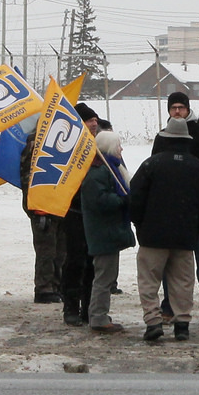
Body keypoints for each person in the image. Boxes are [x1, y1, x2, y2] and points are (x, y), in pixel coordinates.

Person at [129, 115, 199, 342]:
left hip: (152, 235)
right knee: (183, 281)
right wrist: (196, 228)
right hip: (185, 236)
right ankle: (182, 324)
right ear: (188, 140)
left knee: (149, 280)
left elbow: (135, 199)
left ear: (165, 138)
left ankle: (153, 322)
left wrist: (141, 224)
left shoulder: (151, 165)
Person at [163, 88, 199, 324]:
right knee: (171, 262)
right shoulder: (163, 135)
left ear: (188, 110)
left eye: (181, 107)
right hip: (172, 210)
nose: (177, 111)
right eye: (173, 108)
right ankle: (168, 306)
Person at [80, 128, 134, 334]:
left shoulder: (110, 168)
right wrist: (122, 200)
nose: (121, 149)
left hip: (107, 231)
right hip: (103, 233)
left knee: (106, 276)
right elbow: (100, 200)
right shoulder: (98, 172)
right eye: (118, 145)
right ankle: (98, 317)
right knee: (104, 277)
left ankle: (99, 313)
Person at [57, 102, 103, 326]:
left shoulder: (101, 147)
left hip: (96, 214)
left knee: (94, 263)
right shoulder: (68, 149)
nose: (94, 123)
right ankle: (71, 307)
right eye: (89, 120)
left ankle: (89, 308)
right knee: (75, 261)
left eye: (95, 119)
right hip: (74, 212)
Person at [21, 132, 64, 304]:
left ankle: (56, 284)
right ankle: (44, 288)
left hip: (60, 203)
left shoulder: (63, 139)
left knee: (61, 249)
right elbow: (27, 177)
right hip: (41, 206)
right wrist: (35, 206)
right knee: (46, 249)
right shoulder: (35, 140)